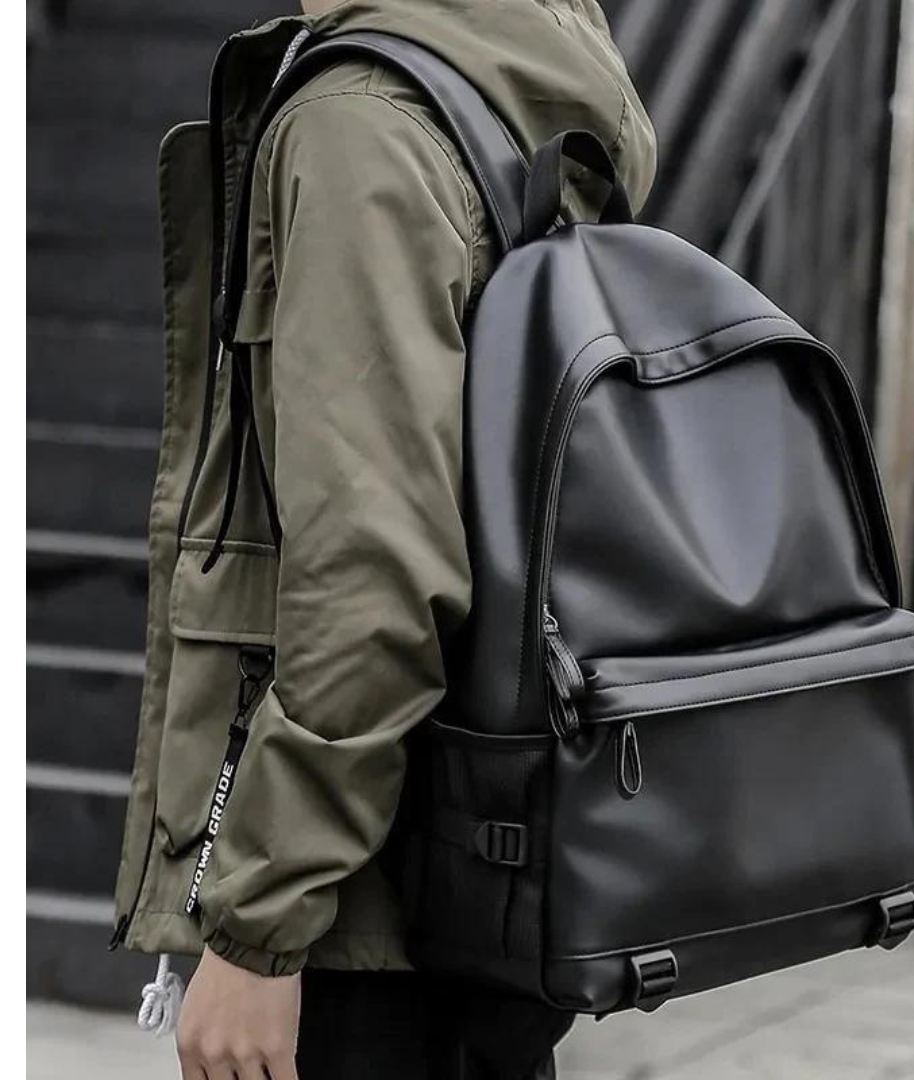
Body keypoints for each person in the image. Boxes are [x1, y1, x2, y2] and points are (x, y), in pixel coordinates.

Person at [112, 1, 655, 1076]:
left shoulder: (360, 123)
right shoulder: (513, 72)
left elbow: (372, 570)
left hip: (354, 918)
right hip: (478, 852)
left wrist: (259, 928)